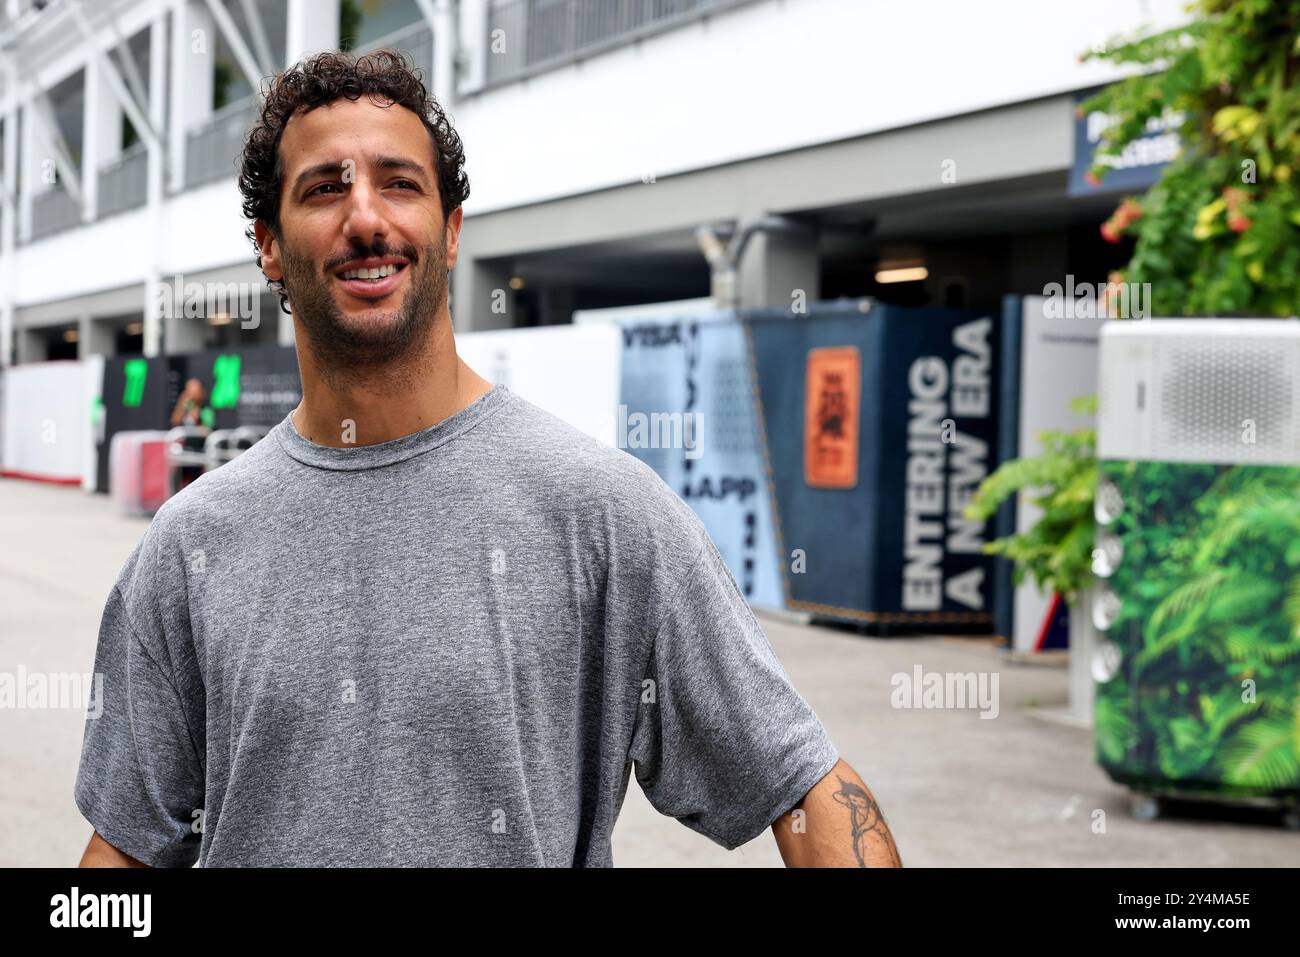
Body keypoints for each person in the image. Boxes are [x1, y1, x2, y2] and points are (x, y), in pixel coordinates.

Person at [74, 50, 901, 868]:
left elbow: (803, 789)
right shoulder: (191, 547)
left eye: (400, 182)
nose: (367, 217)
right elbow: (128, 850)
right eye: (325, 187)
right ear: (268, 244)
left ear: (452, 227)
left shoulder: (602, 511)